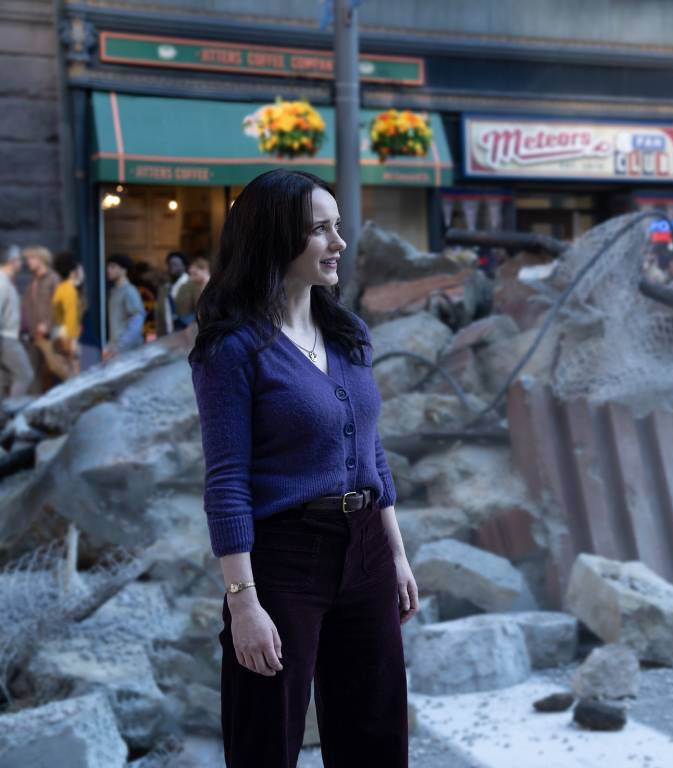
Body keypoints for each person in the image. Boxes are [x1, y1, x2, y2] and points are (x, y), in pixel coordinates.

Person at [189, 169, 416, 768]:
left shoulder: (347, 334)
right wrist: (243, 603)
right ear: (274, 238)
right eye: (320, 230)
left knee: (376, 739)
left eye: (337, 227)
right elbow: (227, 480)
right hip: (284, 559)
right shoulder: (233, 349)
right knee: (266, 740)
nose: (338, 242)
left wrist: (395, 554)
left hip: (366, 549)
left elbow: (371, 449)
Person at [38, 251, 85, 383]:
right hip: (66, 335)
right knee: (73, 376)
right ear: (73, 271)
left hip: (58, 333)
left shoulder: (61, 288)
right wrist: (72, 341)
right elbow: (71, 317)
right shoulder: (69, 290)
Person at [20, 245, 61, 392]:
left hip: (49, 335)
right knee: (32, 373)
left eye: (32, 258)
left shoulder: (53, 279)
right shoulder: (33, 282)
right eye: (27, 259)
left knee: (56, 370)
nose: (28, 262)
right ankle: (35, 403)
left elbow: (58, 306)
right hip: (33, 335)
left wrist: (47, 325)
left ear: (42, 259)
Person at [0, 246, 34, 398]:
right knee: (25, 375)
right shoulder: (2, 283)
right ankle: (13, 409)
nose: (22, 263)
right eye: (19, 259)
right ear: (12, 261)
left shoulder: (6, 281)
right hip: (6, 339)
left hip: (7, 337)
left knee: (3, 380)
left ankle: (5, 411)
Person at [103, 253, 146, 361]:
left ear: (124, 270)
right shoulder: (114, 292)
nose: (108, 270)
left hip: (128, 353)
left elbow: (136, 322)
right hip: (116, 351)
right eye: (108, 266)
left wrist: (119, 347)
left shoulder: (129, 291)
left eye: (113, 266)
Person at [173, 255, 209, 330]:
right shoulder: (192, 286)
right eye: (190, 274)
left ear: (205, 270)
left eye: (195, 274)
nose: (192, 278)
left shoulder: (215, 286)